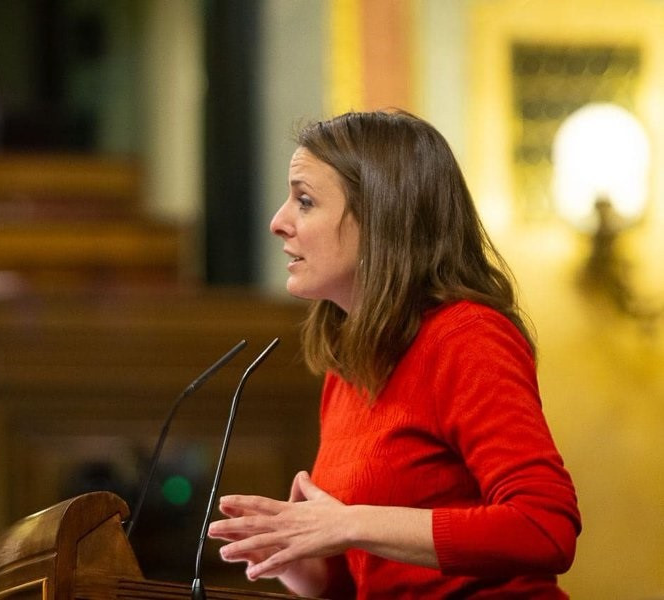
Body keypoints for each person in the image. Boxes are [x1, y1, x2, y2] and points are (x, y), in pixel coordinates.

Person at [207, 110, 581, 598]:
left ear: (380, 218)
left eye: (304, 200)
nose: (278, 222)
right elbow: (353, 580)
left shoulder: (467, 337)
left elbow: (544, 528)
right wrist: (286, 549)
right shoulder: (350, 360)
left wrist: (350, 524)